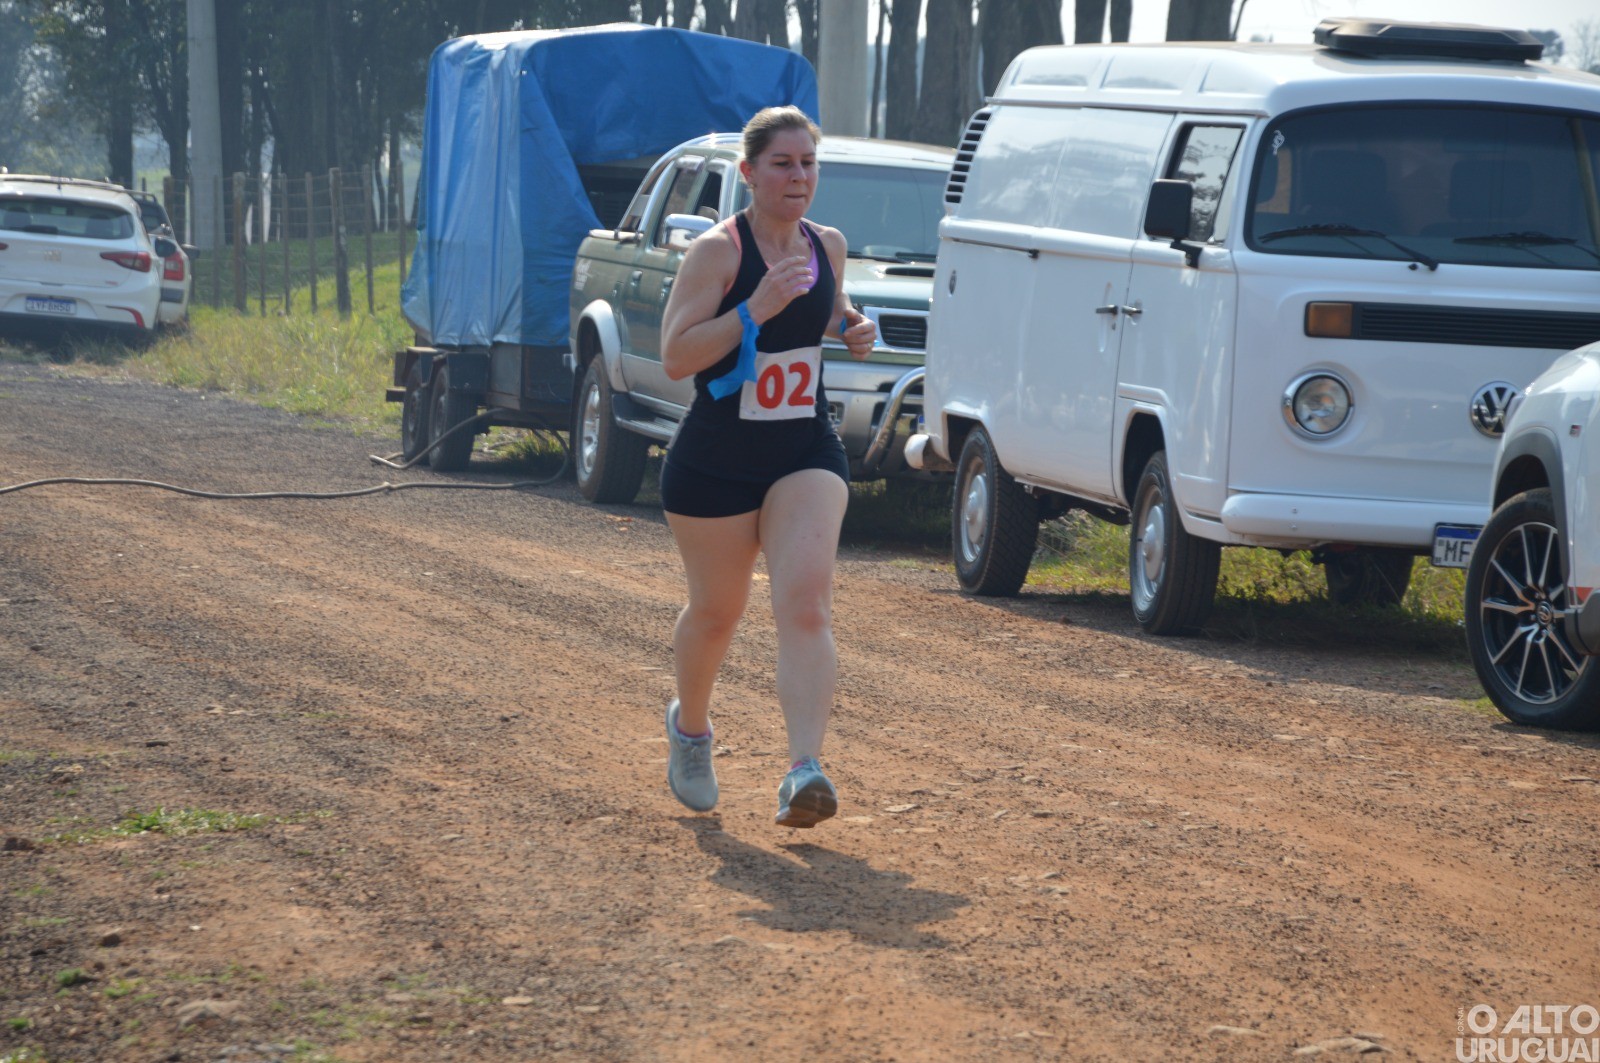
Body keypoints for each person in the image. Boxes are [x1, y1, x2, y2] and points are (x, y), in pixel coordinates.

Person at [656, 106, 876, 828]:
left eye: (808, 163)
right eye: (783, 164)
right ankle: (691, 729)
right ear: (749, 173)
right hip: (715, 461)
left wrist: (852, 324)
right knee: (718, 613)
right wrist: (751, 309)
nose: (799, 177)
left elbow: (830, 307)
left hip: (802, 450)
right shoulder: (718, 254)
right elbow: (677, 355)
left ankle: (803, 768)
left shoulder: (828, 245)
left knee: (806, 601)